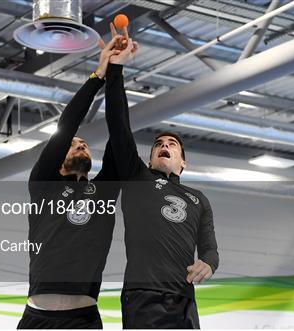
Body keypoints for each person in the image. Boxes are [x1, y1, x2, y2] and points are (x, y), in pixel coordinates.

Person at [105, 35, 219, 329]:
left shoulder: (198, 199)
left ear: (183, 162)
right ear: (150, 158)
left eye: (172, 144)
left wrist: (208, 263)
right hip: (144, 296)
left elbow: (209, 248)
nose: (164, 145)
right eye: (158, 144)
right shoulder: (137, 178)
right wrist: (116, 69)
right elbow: (118, 122)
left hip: (184, 299)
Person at [17, 35, 122, 329]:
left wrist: (117, 72)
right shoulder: (43, 185)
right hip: (37, 319)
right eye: (73, 144)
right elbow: (67, 125)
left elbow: (119, 129)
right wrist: (97, 75)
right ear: (56, 160)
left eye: (85, 144)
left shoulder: (104, 192)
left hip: (83, 320)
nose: (80, 145)